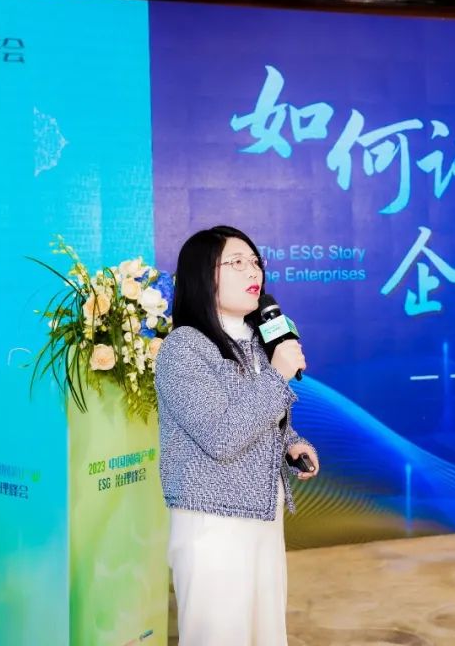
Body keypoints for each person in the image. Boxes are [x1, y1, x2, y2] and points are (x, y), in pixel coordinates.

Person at [155, 225, 319, 646]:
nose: (253, 271)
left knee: (266, 634)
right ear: (202, 275)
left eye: (255, 261)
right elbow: (221, 434)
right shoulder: (184, 348)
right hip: (212, 523)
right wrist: (278, 375)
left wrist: (290, 443)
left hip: (263, 515)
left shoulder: (258, 341)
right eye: (237, 262)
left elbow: (259, 413)